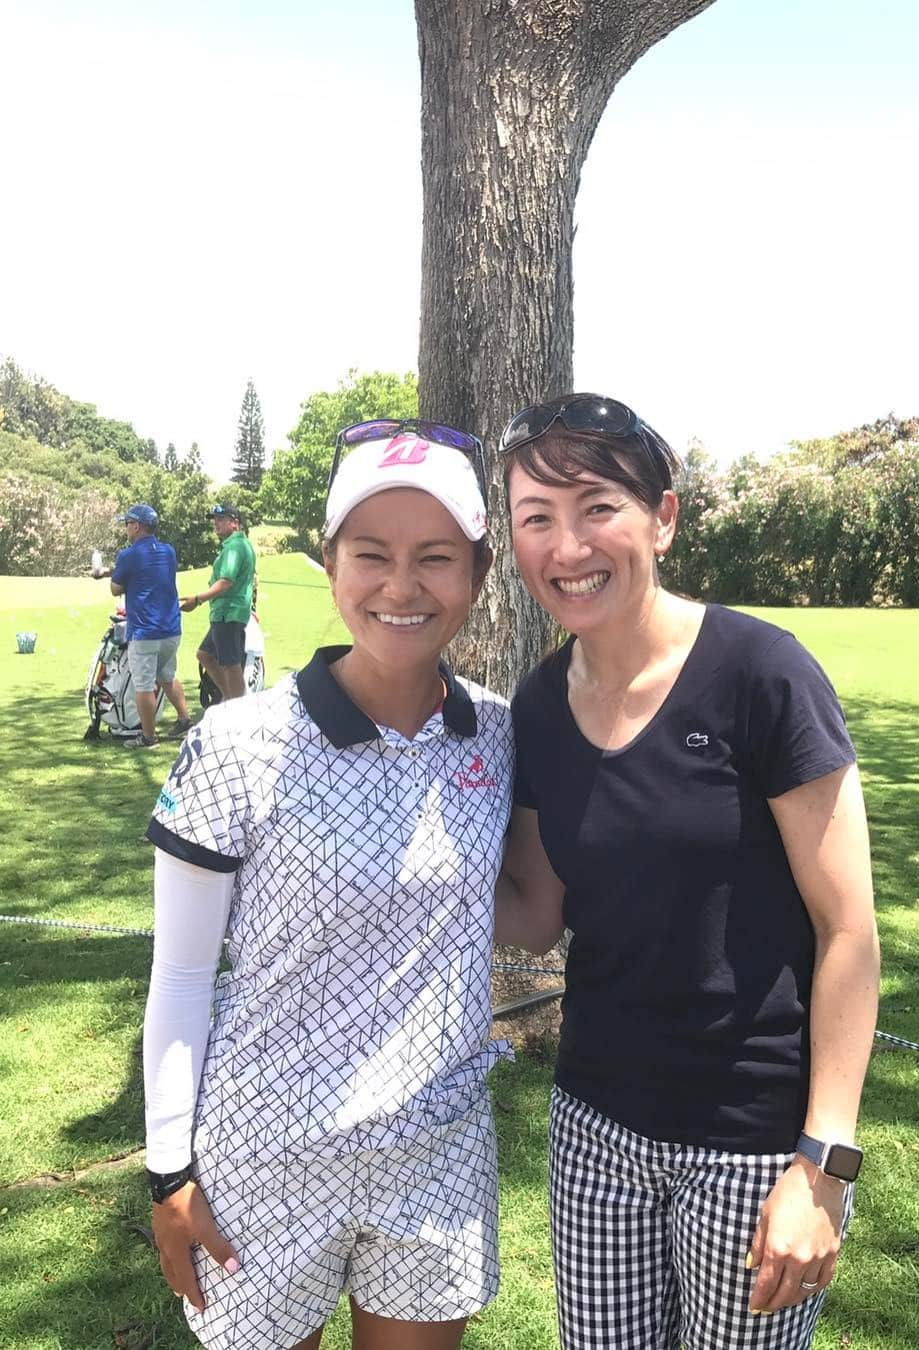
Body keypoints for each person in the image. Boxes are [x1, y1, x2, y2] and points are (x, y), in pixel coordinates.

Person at [494, 394, 880, 1350]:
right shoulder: (539, 704)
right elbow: (537, 914)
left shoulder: (761, 673)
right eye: (537, 517)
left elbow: (849, 930)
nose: (568, 544)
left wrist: (822, 1166)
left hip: (751, 1146)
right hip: (595, 1129)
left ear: (663, 519)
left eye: (596, 507)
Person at [143, 420, 513, 1350]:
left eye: (435, 558)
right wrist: (167, 1173)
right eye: (371, 554)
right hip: (262, 1157)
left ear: (477, 570)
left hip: (436, 1154)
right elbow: (183, 977)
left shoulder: (502, 736)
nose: (401, 586)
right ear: (330, 561)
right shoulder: (237, 741)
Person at [93, 502, 192, 748]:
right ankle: (185, 720)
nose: (126, 529)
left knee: (144, 685)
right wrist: (111, 572)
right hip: (171, 629)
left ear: (137, 526)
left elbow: (116, 588)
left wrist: (108, 576)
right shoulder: (168, 551)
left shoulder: (128, 554)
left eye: (127, 524)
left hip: (145, 631)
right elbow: (148, 571)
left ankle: (148, 738)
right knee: (167, 677)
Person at [180, 504, 257, 700]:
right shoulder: (240, 545)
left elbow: (226, 582)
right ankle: (229, 700)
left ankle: (238, 708)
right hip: (227, 613)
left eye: (222, 519)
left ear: (235, 523)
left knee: (231, 665)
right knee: (204, 655)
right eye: (215, 519)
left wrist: (197, 599)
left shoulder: (234, 547)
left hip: (228, 613)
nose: (216, 523)